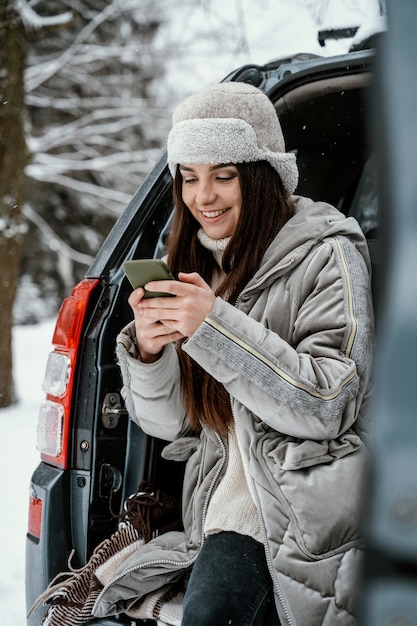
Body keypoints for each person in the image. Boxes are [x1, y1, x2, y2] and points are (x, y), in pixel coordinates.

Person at [95, 82, 374, 626]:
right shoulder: (194, 263)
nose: (204, 197)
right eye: (190, 177)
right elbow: (171, 425)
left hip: (302, 498)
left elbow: (329, 403)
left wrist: (213, 327)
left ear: (263, 176)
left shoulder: (328, 253)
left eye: (223, 175)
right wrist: (151, 355)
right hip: (220, 505)